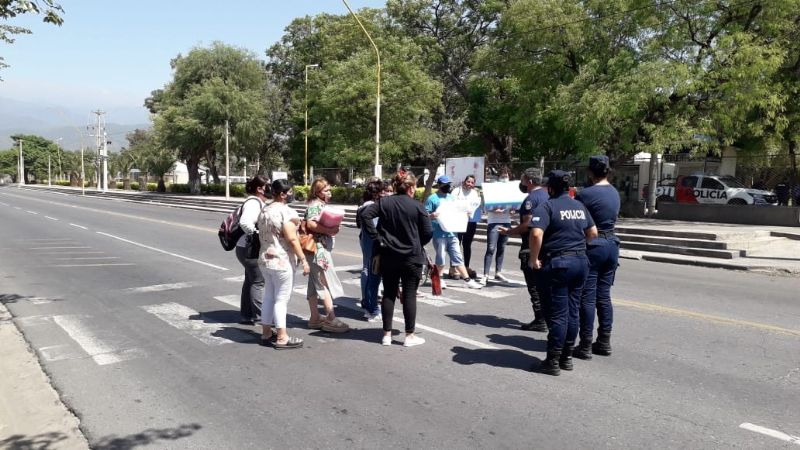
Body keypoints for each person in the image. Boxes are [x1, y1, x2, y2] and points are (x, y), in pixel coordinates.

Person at [529, 170, 597, 376]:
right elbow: (593, 234)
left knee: (558, 314)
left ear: (550, 187)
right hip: (580, 261)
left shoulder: (547, 206)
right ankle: (567, 357)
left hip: (559, 263)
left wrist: (533, 258)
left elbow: (535, 233)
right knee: (573, 311)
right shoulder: (579, 206)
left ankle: (553, 361)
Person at [361, 172, 433, 347]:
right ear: (411, 187)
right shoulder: (417, 206)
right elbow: (427, 233)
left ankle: (386, 334)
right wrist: (416, 242)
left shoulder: (384, 202)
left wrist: (377, 238)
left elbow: (365, 215)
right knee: (409, 295)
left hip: (388, 255)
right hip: (411, 257)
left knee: (389, 293)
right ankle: (409, 336)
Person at [574, 156, 621, 360]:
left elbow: (576, 221)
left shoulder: (586, 194)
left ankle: (584, 344)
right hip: (611, 244)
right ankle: (604, 341)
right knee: (603, 296)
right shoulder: (614, 191)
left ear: (590, 172)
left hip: (593, 244)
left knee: (587, 296)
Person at [258, 179, 310, 349]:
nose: (291, 194)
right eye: (290, 192)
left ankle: (266, 332)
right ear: (282, 194)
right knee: (281, 299)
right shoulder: (286, 212)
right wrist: (303, 259)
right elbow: (292, 239)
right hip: (281, 260)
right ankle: (282, 337)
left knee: (269, 296)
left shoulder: (265, 209)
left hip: (265, 259)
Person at [499, 167, 548, 332]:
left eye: (522, 180)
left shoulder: (531, 199)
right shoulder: (549, 195)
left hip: (531, 247)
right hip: (548, 246)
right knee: (547, 286)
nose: (521, 183)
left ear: (529, 181)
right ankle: (548, 317)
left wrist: (509, 231)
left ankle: (541, 319)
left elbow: (527, 225)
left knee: (534, 286)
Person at [304, 177, 349, 333]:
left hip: (318, 248)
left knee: (314, 282)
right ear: (318, 192)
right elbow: (311, 223)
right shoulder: (316, 205)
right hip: (318, 249)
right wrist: (330, 230)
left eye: (329, 189)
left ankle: (315, 318)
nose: (329, 192)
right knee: (324, 282)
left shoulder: (319, 204)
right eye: (326, 190)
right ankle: (330, 317)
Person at [424, 175, 482, 289]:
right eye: (445, 184)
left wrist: (466, 214)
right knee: (440, 257)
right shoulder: (432, 198)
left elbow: (458, 211)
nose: (448, 186)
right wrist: (431, 215)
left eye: (449, 184)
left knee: (457, 256)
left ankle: (467, 280)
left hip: (452, 232)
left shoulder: (452, 198)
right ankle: (438, 279)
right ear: (439, 185)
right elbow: (424, 214)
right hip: (439, 233)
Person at [235, 175, 269, 325]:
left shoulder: (256, 202)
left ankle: (246, 315)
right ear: (260, 189)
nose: (270, 188)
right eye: (267, 186)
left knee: (250, 281)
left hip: (244, 248)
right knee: (258, 281)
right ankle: (261, 317)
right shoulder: (254, 203)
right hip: (250, 249)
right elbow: (245, 222)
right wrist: (258, 235)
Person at [356, 177, 385, 322]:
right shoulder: (372, 207)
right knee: (371, 271)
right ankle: (370, 306)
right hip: (371, 240)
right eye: (383, 191)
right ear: (376, 193)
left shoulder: (363, 205)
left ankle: (367, 303)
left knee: (367, 269)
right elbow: (373, 229)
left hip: (365, 238)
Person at [451, 175, 482, 279]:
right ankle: (454, 269)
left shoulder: (475, 193)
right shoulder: (456, 191)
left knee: (467, 245)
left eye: (472, 182)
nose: (470, 184)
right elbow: (451, 203)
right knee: (455, 245)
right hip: (458, 221)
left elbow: (478, 205)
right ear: (464, 182)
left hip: (470, 222)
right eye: (468, 182)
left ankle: (466, 267)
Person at [483, 180, 512, 283]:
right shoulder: (492, 192)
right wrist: (492, 210)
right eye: (503, 177)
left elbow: (514, 208)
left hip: (506, 222)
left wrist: (513, 210)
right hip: (493, 222)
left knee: (501, 248)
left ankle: (498, 272)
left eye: (507, 177)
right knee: (491, 248)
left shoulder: (511, 193)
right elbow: (485, 207)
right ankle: (485, 274)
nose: (505, 179)